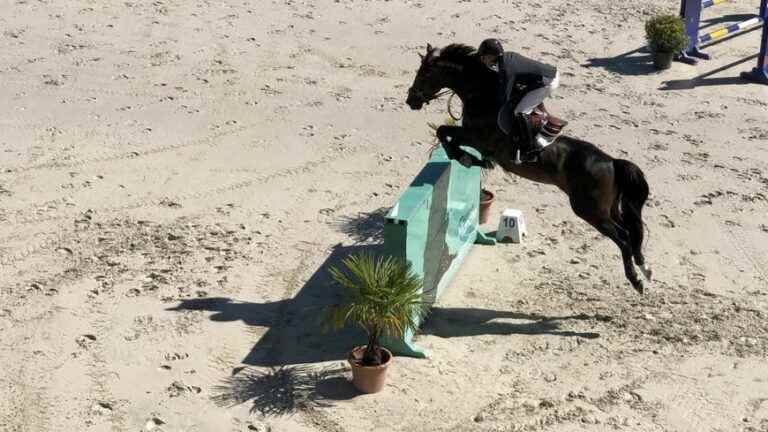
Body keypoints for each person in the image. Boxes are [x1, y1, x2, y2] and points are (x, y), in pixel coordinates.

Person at [477, 38, 567, 164]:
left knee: (520, 111)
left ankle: (529, 150)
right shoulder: (504, 59)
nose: (482, 60)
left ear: (492, 56)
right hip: (541, 77)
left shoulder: (506, 68)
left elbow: (505, 98)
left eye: (484, 57)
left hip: (548, 82)